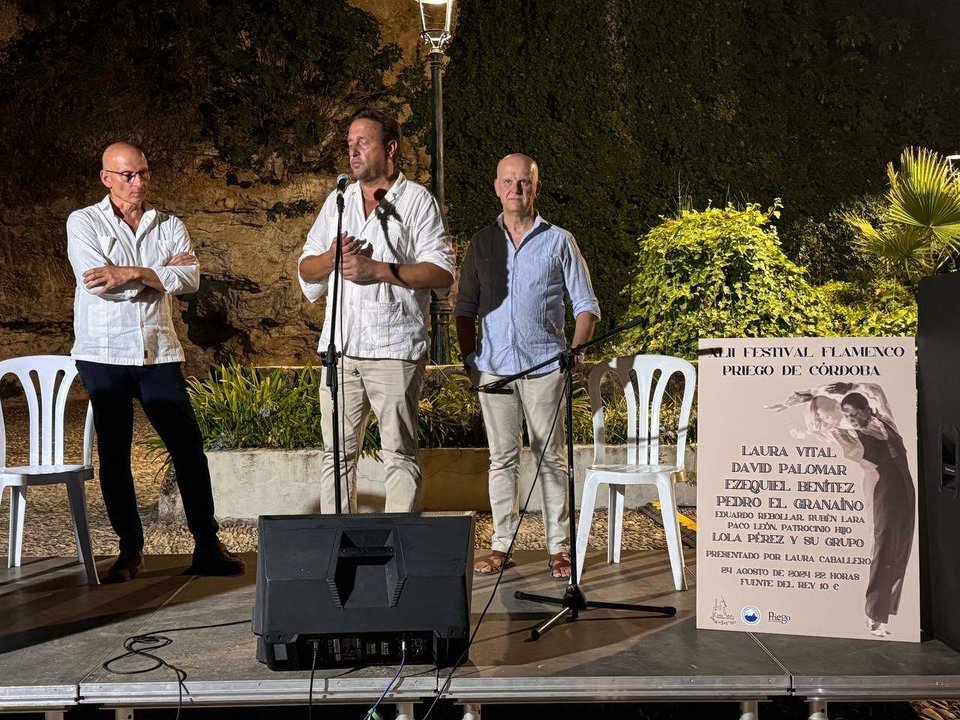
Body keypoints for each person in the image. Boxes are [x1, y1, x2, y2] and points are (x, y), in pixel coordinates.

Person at [67, 142, 244, 583]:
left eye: (143, 173)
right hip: (103, 352)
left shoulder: (169, 224)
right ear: (106, 178)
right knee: (115, 453)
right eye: (128, 175)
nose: (138, 182)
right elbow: (98, 283)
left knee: (188, 448)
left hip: (157, 349)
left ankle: (207, 544)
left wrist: (130, 272)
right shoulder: (83, 222)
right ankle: (130, 550)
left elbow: (189, 280)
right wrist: (155, 274)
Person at [298, 108, 454, 514]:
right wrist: (331, 257)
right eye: (349, 144)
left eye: (362, 142)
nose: (353, 151)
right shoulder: (339, 201)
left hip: (394, 348)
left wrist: (379, 270)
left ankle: (398, 549)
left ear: (390, 148)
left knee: (398, 453)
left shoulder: (417, 201)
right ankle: (337, 545)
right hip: (341, 349)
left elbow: (441, 273)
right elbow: (305, 268)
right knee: (336, 455)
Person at [455, 153, 600, 579]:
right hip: (494, 369)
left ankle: (559, 548)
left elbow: (586, 306)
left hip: (545, 366)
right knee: (502, 459)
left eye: (524, 182)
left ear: (536, 188)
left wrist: (574, 352)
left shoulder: (560, 241)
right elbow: (464, 307)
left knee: (549, 459)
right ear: (497, 187)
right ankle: (502, 545)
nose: (516, 189)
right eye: (508, 181)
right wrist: (469, 360)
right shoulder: (482, 243)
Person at [772, 382, 916, 637]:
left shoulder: (885, 421)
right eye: (846, 414)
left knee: (903, 546)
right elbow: (822, 423)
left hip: (906, 486)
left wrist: (847, 385)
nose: (849, 418)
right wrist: (809, 398)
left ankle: (889, 610)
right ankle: (874, 616)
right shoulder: (848, 435)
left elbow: (878, 390)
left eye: (852, 413)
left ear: (865, 409)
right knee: (883, 548)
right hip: (882, 489)